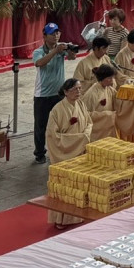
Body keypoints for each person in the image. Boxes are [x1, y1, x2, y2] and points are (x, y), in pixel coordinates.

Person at [46, 79, 91, 226]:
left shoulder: (81, 104)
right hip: (64, 152)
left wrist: (84, 136)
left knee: (80, 186)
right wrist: (78, 139)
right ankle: (62, 219)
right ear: (65, 91)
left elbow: (89, 123)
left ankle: (78, 216)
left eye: (79, 89)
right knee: (65, 188)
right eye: (74, 89)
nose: (78, 92)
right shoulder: (57, 110)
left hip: (81, 150)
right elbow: (53, 136)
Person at [32, 23, 77, 164]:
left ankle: (59, 150)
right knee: (41, 126)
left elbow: (72, 58)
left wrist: (70, 49)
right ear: (44, 36)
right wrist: (55, 51)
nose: (56, 36)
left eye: (58, 33)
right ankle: (39, 153)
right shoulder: (39, 51)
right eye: (52, 34)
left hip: (59, 94)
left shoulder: (60, 49)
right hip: (42, 96)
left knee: (62, 123)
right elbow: (39, 63)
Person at [81, 64, 118, 142]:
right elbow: (85, 115)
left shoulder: (109, 89)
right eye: (109, 78)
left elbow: (119, 99)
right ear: (102, 78)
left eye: (112, 78)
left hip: (108, 127)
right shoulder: (91, 94)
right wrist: (106, 115)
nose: (112, 81)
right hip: (97, 130)